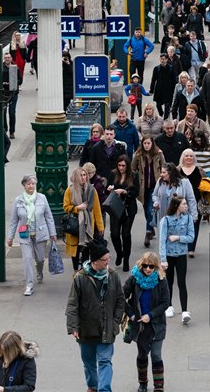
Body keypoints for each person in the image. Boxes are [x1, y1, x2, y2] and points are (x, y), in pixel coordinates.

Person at [66, 241, 125, 392]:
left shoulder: (113, 275)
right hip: (86, 329)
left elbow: (120, 300)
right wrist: (73, 326)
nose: (108, 263)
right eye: (104, 260)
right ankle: (93, 386)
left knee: (105, 361)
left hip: (107, 327)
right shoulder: (80, 278)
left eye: (108, 259)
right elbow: (73, 304)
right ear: (94, 261)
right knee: (89, 362)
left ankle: (104, 389)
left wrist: (116, 321)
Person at [123, 252, 170, 392]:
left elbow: (165, 302)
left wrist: (150, 315)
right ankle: (143, 383)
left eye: (151, 266)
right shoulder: (134, 279)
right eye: (145, 266)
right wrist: (131, 313)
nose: (148, 269)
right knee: (142, 354)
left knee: (156, 354)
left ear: (156, 266)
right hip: (140, 325)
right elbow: (120, 297)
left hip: (157, 324)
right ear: (141, 265)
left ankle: (159, 387)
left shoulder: (161, 280)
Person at [8, 174, 57, 296]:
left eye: (33, 184)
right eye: (28, 184)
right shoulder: (18, 200)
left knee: (40, 259)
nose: (31, 186)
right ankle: (29, 285)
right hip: (25, 235)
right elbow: (14, 220)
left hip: (40, 234)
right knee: (27, 259)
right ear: (24, 185)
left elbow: (49, 217)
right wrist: (10, 237)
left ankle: (39, 271)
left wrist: (53, 233)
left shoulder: (42, 198)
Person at [159, 195, 194, 324]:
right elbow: (162, 241)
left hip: (181, 255)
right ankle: (169, 306)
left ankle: (185, 310)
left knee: (181, 282)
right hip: (168, 255)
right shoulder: (166, 220)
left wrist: (178, 237)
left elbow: (191, 237)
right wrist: (163, 259)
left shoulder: (188, 218)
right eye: (184, 204)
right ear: (177, 206)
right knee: (169, 281)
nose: (186, 206)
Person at [64, 167, 105, 271]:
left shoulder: (92, 190)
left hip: (88, 225)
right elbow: (66, 206)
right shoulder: (70, 190)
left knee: (87, 249)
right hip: (74, 225)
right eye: (81, 175)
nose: (83, 177)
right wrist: (77, 208)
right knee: (75, 250)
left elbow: (97, 209)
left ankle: (84, 272)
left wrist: (100, 226)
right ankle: (76, 271)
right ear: (76, 177)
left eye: (85, 175)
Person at [107, 155, 140, 272]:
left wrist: (125, 192)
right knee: (114, 234)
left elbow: (136, 191)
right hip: (115, 208)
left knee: (126, 234)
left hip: (128, 208)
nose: (121, 168)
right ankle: (119, 253)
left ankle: (126, 259)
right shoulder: (113, 174)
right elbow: (108, 188)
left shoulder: (133, 175)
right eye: (119, 165)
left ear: (127, 166)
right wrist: (110, 189)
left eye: (123, 166)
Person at [132, 137, 165, 248]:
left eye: (148, 143)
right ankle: (151, 228)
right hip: (143, 187)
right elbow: (133, 168)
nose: (146, 145)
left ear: (152, 144)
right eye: (144, 143)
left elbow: (163, 166)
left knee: (151, 209)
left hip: (154, 186)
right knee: (146, 209)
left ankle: (147, 233)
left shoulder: (158, 154)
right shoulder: (138, 155)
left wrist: (162, 178)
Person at [152, 162, 198, 227]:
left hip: (179, 219)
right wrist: (156, 201)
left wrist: (193, 217)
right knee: (163, 236)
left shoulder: (185, 182)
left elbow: (191, 200)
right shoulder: (160, 181)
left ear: (171, 173)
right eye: (161, 172)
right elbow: (155, 195)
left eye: (164, 172)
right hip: (162, 217)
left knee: (175, 237)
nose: (161, 174)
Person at [178, 149, 205, 257]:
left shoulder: (199, 170)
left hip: (196, 202)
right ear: (182, 157)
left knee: (194, 224)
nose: (189, 158)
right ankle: (182, 244)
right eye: (186, 156)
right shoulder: (178, 170)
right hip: (180, 203)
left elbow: (205, 185)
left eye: (191, 156)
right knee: (181, 225)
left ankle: (191, 248)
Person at [149, 50, 179, 119]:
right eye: (161, 59)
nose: (163, 61)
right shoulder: (156, 68)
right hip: (159, 89)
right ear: (159, 59)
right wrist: (151, 90)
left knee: (167, 105)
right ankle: (161, 114)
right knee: (158, 104)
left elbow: (174, 79)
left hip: (169, 89)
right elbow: (153, 79)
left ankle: (165, 118)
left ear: (167, 59)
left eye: (164, 59)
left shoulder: (171, 68)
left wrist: (175, 89)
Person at [2, 52, 23, 139]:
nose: (7, 59)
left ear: (11, 58)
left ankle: (12, 131)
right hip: (3, 94)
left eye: (8, 57)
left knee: (12, 112)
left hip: (13, 94)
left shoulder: (15, 68)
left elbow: (20, 80)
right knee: (3, 112)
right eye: (6, 58)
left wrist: (13, 83)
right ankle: (4, 129)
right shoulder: (1, 68)